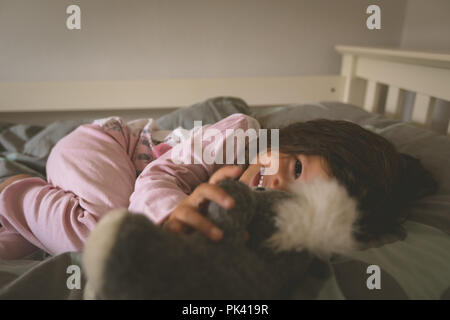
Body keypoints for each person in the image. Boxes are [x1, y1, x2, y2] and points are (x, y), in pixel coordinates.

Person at [0, 114, 436, 260]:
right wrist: (170, 215)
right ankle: (15, 190)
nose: (279, 183)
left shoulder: (253, 208)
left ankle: (17, 224)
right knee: (106, 233)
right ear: (293, 140)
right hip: (108, 146)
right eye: (298, 167)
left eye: (295, 198)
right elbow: (159, 176)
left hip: (120, 181)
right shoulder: (241, 136)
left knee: (23, 247)